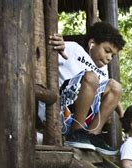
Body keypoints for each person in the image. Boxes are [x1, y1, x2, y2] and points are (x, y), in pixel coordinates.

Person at [40, 21, 125, 155]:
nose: (109, 58)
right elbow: (47, 52)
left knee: (116, 86)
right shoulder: (73, 49)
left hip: (85, 117)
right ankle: (76, 133)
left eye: (112, 55)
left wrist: (122, 115)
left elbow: (111, 93)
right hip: (60, 112)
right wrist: (59, 45)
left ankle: (92, 135)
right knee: (91, 77)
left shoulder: (103, 70)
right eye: (107, 51)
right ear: (92, 44)